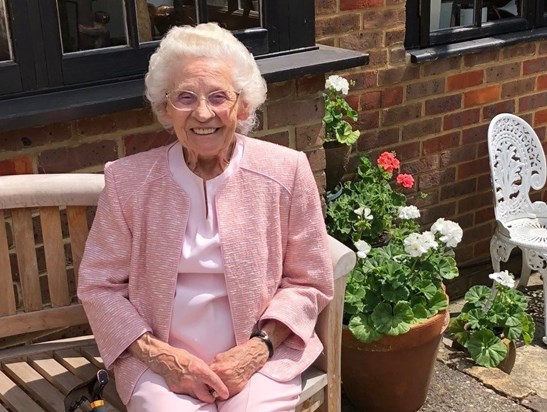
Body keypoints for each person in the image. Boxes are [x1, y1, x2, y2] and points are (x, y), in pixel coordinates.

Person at [77, 23, 334, 412]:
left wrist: (256, 349)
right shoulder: (127, 181)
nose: (202, 113)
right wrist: (163, 358)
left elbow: (309, 279)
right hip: (159, 359)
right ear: (165, 108)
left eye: (218, 97)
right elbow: (99, 286)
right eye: (185, 97)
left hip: (261, 354)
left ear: (242, 105)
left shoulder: (286, 171)